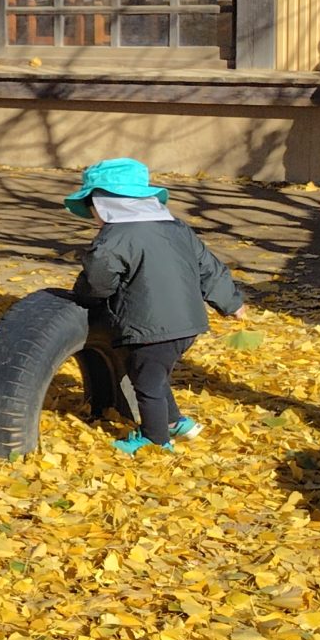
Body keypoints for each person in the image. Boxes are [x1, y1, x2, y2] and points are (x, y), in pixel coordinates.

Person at [67, 157, 244, 453]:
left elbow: (98, 281)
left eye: (91, 209)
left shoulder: (113, 239)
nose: (92, 217)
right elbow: (208, 267)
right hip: (187, 324)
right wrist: (231, 302)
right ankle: (174, 422)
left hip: (149, 327)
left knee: (147, 385)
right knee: (152, 373)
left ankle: (155, 440)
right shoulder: (176, 228)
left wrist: (84, 297)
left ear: (103, 205)